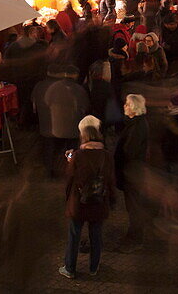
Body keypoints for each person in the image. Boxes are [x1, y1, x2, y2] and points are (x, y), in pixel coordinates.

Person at [61, 117, 115, 280]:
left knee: (74, 235)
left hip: (79, 202)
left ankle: (70, 268)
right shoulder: (106, 156)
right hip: (99, 201)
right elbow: (111, 180)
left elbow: (70, 178)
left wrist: (69, 161)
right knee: (96, 235)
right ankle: (94, 267)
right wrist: (111, 199)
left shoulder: (78, 155)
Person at [32, 65, 89, 177]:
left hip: (55, 126)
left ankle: (50, 169)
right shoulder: (79, 89)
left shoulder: (53, 87)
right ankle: (70, 167)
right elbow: (85, 107)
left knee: (50, 149)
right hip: (73, 126)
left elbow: (46, 102)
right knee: (71, 148)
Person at [115, 94, 150, 251]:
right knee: (133, 206)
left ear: (134, 108)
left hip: (133, 174)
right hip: (132, 172)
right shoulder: (135, 124)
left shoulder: (137, 127)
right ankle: (134, 235)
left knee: (134, 207)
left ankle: (135, 238)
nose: (125, 106)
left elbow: (129, 151)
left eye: (127, 104)